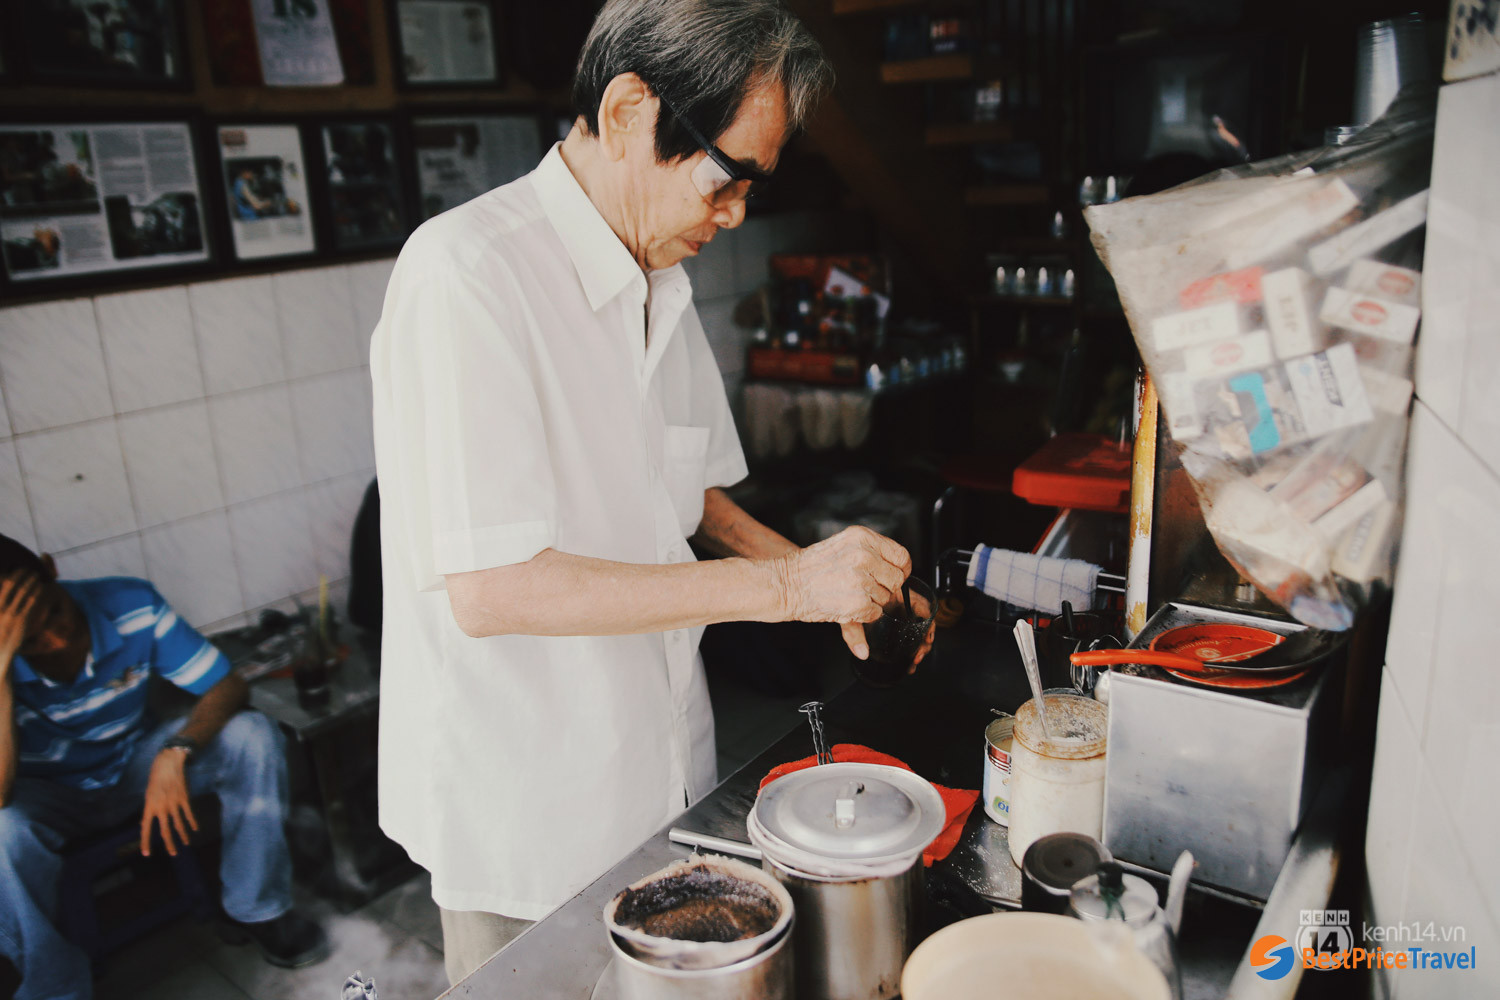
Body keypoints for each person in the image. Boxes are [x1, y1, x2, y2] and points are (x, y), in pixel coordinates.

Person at [370, 0, 933, 986]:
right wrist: (790, 589)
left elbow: (690, 494)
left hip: (662, 770)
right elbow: (494, 588)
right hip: (531, 812)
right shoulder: (467, 275)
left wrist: (838, 585)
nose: (737, 213)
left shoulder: (656, 276)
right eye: (727, 177)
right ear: (629, 111)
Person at [0, 535, 327, 1000]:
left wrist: (177, 751)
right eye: (29, 641)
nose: (56, 639)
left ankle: (257, 909)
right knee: (1, 829)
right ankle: (55, 987)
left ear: (51, 569)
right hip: (48, 797)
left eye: (53, 612)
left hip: (135, 764)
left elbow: (228, 685)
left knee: (253, 734)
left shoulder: (129, 603)